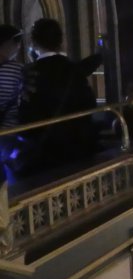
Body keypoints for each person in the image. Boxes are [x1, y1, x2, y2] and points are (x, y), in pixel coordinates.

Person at [15, 18, 97, 173]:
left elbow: (25, 119)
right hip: (78, 149)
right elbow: (90, 104)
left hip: (45, 156)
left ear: (34, 43)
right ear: (60, 41)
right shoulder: (74, 70)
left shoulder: (30, 74)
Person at [0, 25, 23, 130]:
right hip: (9, 132)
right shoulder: (18, 70)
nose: (19, 47)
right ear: (9, 43)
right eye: (18, 42)